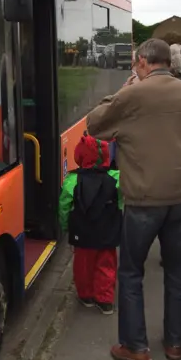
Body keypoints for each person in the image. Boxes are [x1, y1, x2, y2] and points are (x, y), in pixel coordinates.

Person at [86, 38, 181, 360]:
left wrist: (123, 89)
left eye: (136, 64)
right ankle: (175, 344)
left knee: (132, 272)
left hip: (142, 203)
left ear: (143, 63)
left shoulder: (132, 95)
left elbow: (95, 124)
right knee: (179, 273)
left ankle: (136, 347)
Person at [59, 134, 122, 316]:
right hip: (108, 233)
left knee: (83, 266)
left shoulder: (72, 181)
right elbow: (122, 202)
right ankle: (105, 301)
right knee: (107, 265)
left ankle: (86, 296)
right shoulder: (116, 178)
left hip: (82, 233)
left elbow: (64, 207)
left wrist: (66, 227)